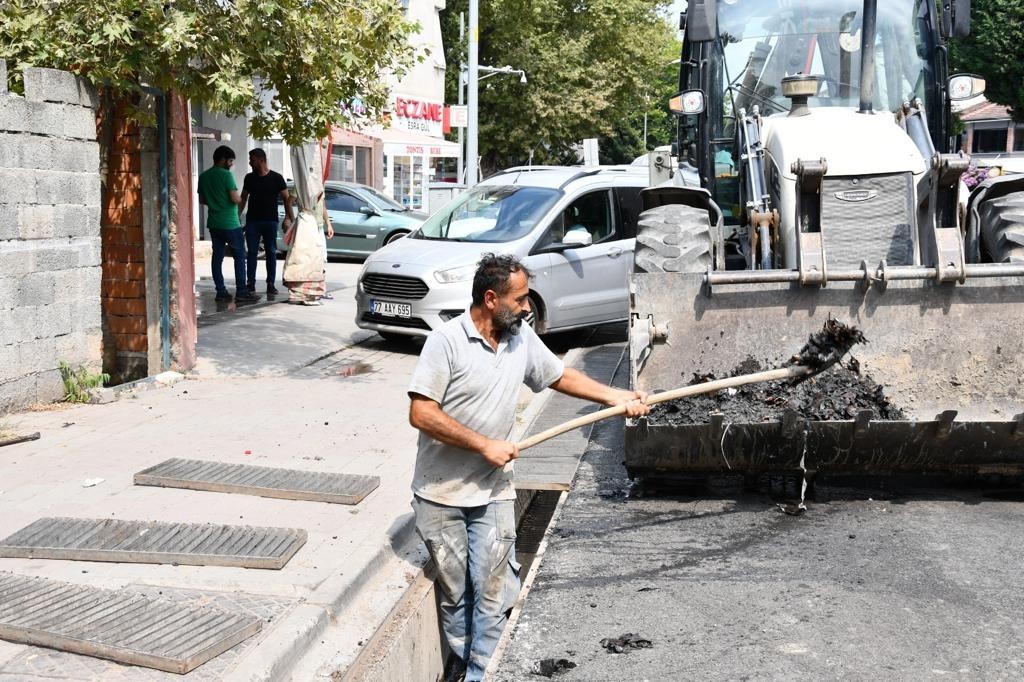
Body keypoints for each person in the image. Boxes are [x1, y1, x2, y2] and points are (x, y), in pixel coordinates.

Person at [407, 254, 649, 681]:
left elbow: (559, 377)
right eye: (518, 299)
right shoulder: (445, 342)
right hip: (440, 494)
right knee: (457, 595)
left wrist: (614, 397)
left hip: (494, 489)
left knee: (495, 592)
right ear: (490, 298)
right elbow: (422, 414)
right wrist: (483, 444)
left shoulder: (520, 338)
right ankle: (466, 664)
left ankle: (484, 673)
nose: (526, 307)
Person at [197, 145, 259, 302]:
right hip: (231, 223)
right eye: (230, 161)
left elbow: (202, 200)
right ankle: (242, 292)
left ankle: (221, 291)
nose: (231, 164)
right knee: (239, 256)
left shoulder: (203, 176)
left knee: (217, 257)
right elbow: (235, 198)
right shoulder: (226, 176)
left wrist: (215, 200)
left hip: (213, 223)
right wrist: (242, 199)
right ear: (223, 159)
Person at [239, 148, 291, 296]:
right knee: (252, 252)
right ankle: (251, 283)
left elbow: (287, 199)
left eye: (252, 159)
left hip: (271, 221)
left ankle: (270, 283)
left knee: (271, 252)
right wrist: (237, 215)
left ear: (261, 160)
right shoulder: (249, 178)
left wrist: (287, 218)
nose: (250, 162)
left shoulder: (277, 178)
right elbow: (243, 197)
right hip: (253, 221)